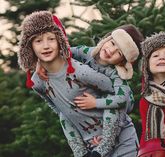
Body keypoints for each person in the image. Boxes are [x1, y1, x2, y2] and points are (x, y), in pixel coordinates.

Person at [17, 11, 138, 157]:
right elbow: (63, 50)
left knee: (114, 106)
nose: (111, 51)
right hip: (91, 137)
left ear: (122, 61)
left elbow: (126, 100)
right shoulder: (87, 52)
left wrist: (95, 103)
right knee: (64, 116)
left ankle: (104, 145)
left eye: (119, 52)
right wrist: (39, 63)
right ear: (106, 40)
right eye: (112, 43)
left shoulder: (115, 74)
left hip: (119, 130)